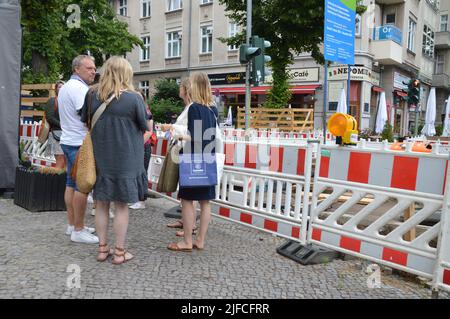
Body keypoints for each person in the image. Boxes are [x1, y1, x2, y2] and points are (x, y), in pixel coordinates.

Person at [81, 56, 148, 264]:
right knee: (121, 207)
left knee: (101, 204)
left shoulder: (92, 95)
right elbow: (144, 126)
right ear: (126, 73)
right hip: (126, 159)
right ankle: (119, 253)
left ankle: (102, 250)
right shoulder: (134, 98)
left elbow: (86, 122)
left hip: (100, 158)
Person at [167, 72, 218, 252]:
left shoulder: (195, 107)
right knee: (205, 202)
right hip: (208, 158)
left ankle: (187, 241)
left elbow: (196, 137)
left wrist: (181, 135)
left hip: (194, 159)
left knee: (187, 201)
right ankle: (200, 240)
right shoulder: (212, 109)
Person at [59, 55, 98, 244]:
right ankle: (78, 229)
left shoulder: (66, 87)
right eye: (89, 68)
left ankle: (71, 225)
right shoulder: (80, 89)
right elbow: (87, 116)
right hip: (79, 142)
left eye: (94, 68)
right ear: (77, 69)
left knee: (71, 184)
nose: (94, 71)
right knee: (82, 187)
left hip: (68, 140)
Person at [161, 78, 198, 237]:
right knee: (184, 190)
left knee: (188, 192)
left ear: (186, 90)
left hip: (188, 151)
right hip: (183, 149)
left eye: (181, 87)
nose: (179, 90)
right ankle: (185, 221)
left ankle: (191, 225)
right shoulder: (188, 107)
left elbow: (190, 129)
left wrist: (171, 127)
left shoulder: (192, 107)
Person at [129, 91, 154, 210]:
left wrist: (137, 144)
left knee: (142, 172)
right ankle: (136, 198)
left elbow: (149, 131)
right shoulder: (136, 111)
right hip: (137, 146)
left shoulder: (147, 112)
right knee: (135, 172)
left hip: (143, 146)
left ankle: (141, 199)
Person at [44, 81, 65, 169]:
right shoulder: (52, 101)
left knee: (66, 162)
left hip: (67, 135)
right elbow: (50, 117)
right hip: (56, 133)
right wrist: (63, 126)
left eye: (63, 87)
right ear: (56, 89)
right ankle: (56, 182)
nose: (62, 88)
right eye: (59, 87)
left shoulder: (67, 101)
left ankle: (64, 182)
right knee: (60, 160)